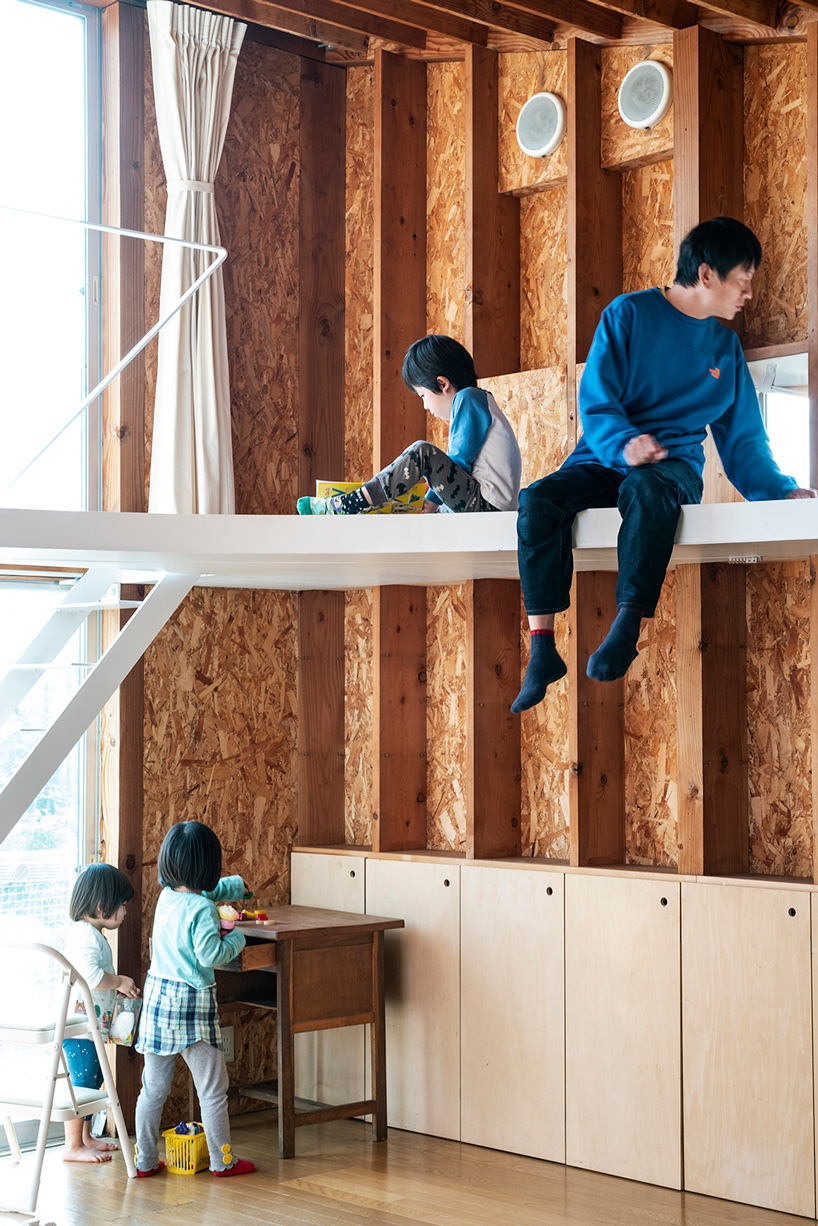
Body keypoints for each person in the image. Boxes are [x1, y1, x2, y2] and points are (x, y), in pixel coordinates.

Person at [512, 216, 816, 714]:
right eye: (743, 282)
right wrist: (625, 443)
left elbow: (744, 443)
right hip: (607, 456)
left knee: (648, 490)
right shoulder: (627, 315)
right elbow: (598, 399)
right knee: (539, 500)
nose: (748, 295)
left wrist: (781, 492)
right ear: (706, 275)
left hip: (670, 468)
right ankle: (542, 649)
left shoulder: (725, 350)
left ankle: (627, 625)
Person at [133, 821, 256, 1178]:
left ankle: (144, 1160)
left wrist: (233, 886)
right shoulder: (202, 910)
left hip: (157, 1001)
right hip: (191, 1006)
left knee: (152, 1090)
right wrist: (240, 938)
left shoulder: (167, 898)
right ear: (208, 866)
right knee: (213, 1090)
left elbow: (203, 893)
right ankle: (223, 1161)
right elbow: (210, 954)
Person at [297, 334, 522, 516]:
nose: (424, 405)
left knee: (422, 452)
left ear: (442, 384)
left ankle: (350, 503)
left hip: (487, 506)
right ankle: (367, 504)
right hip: (483, 503)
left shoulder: (468, 398)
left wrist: (431, 500)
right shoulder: (479, 402)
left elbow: (459, 461)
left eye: (422, 395)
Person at [63, 862, 140, 1164]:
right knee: (82, 1083)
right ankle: (72, 1144)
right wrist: (118, 981)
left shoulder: (92, 935)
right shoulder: (84, 936)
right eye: (121, 905)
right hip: (78, 1028)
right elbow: (92, 977)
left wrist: (115, 988)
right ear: (99, 905)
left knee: (92, 1080)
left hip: (89, 1027)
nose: (124, 911)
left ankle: (84, 1137)